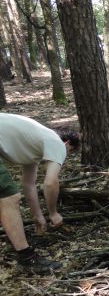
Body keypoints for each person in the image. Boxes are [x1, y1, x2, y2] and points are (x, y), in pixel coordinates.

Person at [0, 113, 80, 273]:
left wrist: (38, 216)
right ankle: (27, 259)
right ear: (67, 143)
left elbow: (28, 184)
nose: (63, 158)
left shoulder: (35, 142)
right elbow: (51, 182)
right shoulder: (57, 143)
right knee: (9, 196)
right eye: (69, 153)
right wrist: (53, 213)